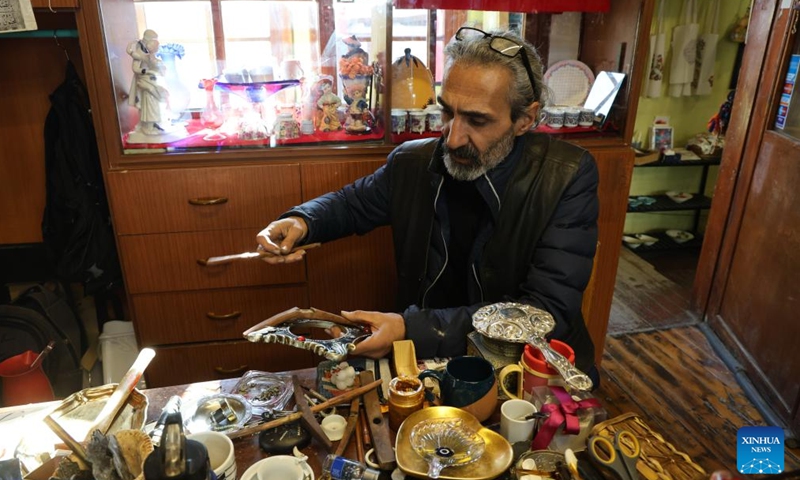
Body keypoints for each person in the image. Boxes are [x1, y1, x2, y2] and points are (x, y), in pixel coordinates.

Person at [256, 27, 600, 382]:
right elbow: (352, 203)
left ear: (525, 119)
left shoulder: (566, 176)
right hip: (431, 359)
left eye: (477, 120)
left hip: (532, 369)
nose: (452, 139)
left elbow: (546, 310)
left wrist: (411, 328)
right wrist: (302, 220)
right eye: (447, 112)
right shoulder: (413, 162)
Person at [127, 29, 168, 135]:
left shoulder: (152, 56)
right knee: (146, 103)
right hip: (144, 81)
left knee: (156, 102)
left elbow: (161, 70)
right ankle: (146, 125)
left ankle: (155, 124)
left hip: (154, 81)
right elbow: (136, 68)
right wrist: (147, 71)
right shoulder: (139, 54)